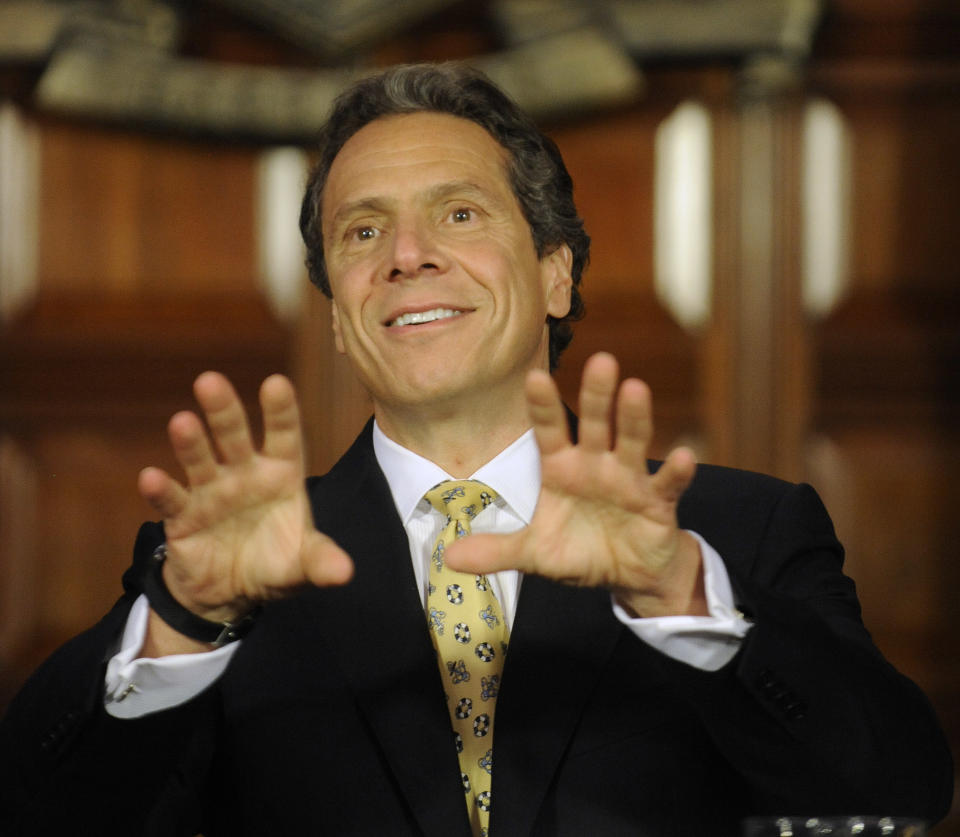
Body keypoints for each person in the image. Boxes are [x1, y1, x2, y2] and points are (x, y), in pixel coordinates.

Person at [0, 63, 952, 837]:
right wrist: (180, 624)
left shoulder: (739, 533)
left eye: (459, 213)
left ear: (552, 272)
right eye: (363, 229)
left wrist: (683, 603)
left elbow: (901, 786)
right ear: (338, 317)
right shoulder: (231, 566)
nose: (406, 254)